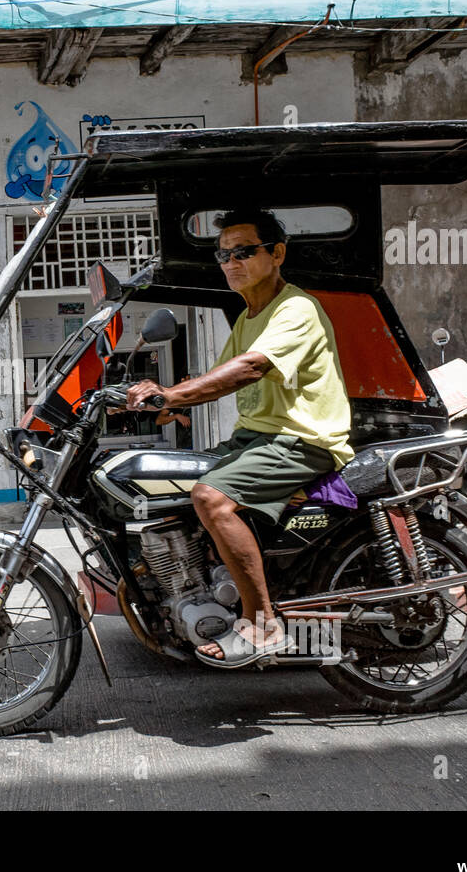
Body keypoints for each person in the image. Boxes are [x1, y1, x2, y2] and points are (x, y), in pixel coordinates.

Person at [125, 209, 352, 668]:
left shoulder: (295, 308)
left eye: (244, 252)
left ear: (277, 254)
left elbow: (247, 369)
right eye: (223, 254)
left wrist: (172, 393)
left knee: (211, 497)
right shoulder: (251, 315)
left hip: (302, 440)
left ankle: (262, 623)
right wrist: (160, 403)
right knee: (181, 482)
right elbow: (214, 377)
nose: (231, 263)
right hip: (258, 439)